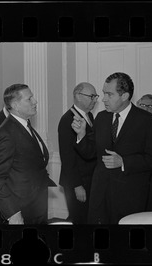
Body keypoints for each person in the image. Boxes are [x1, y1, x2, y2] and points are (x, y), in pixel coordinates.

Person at [71, 72, 152, 224]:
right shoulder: (101, 118)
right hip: (100, 195)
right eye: (104, 93)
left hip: (130, 198)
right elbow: (90, 153)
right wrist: (81, 135)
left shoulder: (147, 121)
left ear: (124, 96)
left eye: (109, 94)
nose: (103, 99)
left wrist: (124, 162)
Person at [0, 84, 56, 224]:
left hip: (35, 205)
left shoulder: (24, 125)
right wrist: (12, 213)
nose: (35, 101)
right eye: (29, 99)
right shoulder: (6, 133)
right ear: (16, 105)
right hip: (21, 209)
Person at [58, 82, 98, 224]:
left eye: (95, 96)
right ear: (78, 96)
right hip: (78, 182)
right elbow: (67, 156)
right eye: (91, 96)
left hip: (88, 179)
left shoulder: (89, 117)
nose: (95, 100)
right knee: (79, 219)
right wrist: (77, 185)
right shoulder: (67, 120)